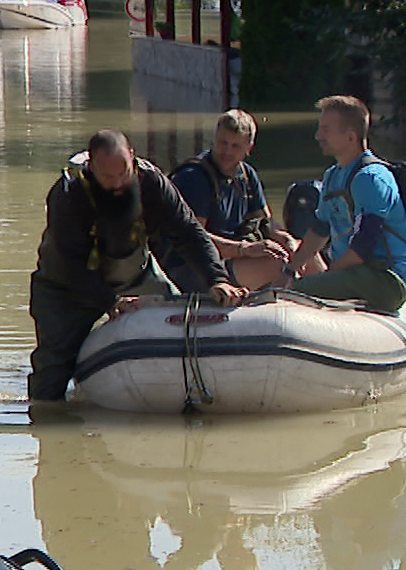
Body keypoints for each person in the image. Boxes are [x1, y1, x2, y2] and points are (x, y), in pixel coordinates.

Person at [28, 129, 246, 401]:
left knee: (179, 331)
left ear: (133, 157)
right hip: (67, 287)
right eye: (108, 177)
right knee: (52, 373)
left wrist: (217, 279)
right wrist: (110, 301)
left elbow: (188, 232)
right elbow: (71, 264)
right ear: (91, 166)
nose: (118, 184)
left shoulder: (152, 182)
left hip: (136, 274)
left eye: (124, 173)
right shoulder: (68, 195)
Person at [284, 95, 406, 313]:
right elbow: (320, 229)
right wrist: (289, 271)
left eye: (326, 130)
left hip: (386, 279)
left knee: (295, 293)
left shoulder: (371, 179)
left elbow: (364, 247)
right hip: (355, 273)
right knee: (289, 285)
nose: (318, 136)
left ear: (351, 136)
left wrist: (326, 278)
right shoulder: (333, 175)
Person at [169, 109, 306, 289]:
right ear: (214, 138)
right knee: (276, 265)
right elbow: (195, 240)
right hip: (196, 268)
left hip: (234, 257)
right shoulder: (195, 178)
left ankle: (330, 302)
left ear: (248, 148)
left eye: (235, 146)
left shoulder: (248, 175)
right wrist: (244, 250)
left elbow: (266, 223)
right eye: (223, 143)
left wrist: (286, 239)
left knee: (305, 250)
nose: (227, 151)